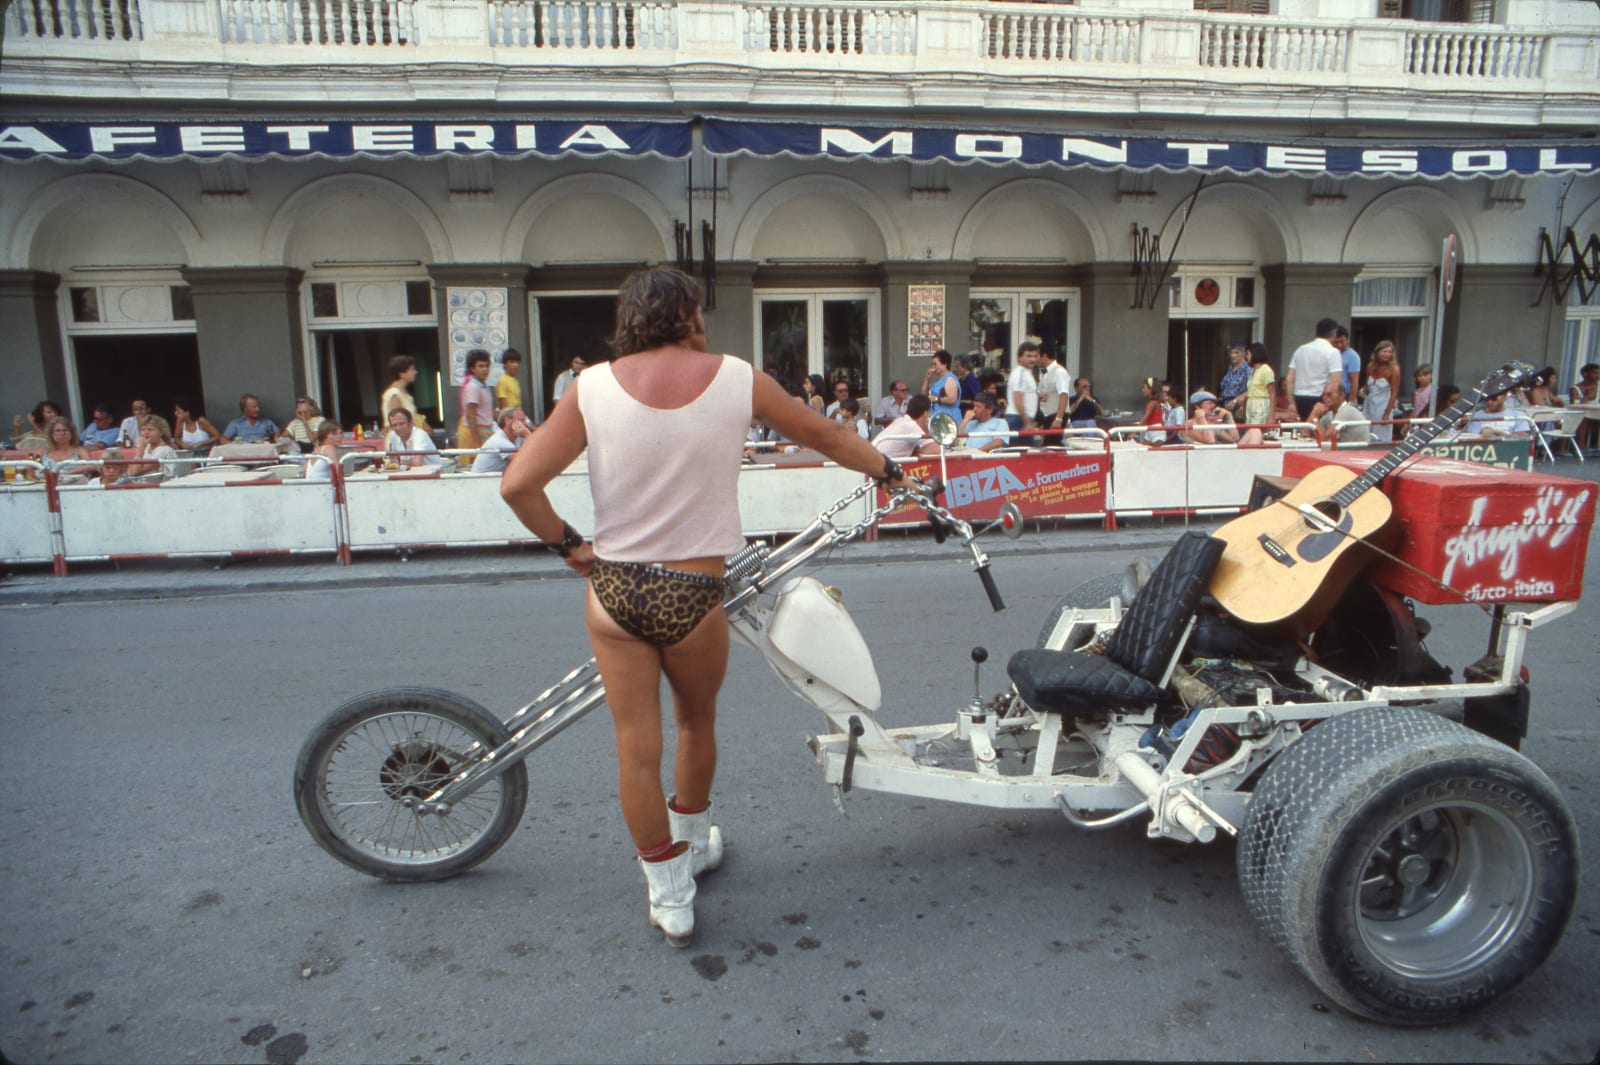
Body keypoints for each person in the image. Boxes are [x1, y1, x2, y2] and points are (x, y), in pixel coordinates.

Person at [498, 265, 908, 949]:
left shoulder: (590, 386)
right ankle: (692, 845)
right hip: (693, 593)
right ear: (686, 313)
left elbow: (517, 483)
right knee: (695, 723)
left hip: (615, 589)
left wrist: (572, 546)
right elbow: (826, 436)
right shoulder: (737, 378)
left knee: (635, 748)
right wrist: (889, 469)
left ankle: (671, 896)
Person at [1283, 318, 1344, 420]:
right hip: (1321, 397)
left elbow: (1289, 379)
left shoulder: (1300, 350)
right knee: (1319, 431)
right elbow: (1336, 382)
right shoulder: (1332, 352)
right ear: (1334, 333)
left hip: (1300, 397)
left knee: (1305, 430)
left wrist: (1291, 402)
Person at [1359, 340, 1400, 442]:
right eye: (1384, 351)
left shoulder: (1394, 369)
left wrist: (1387, 413)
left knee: (1381, 437)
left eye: (1389, 352)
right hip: (1369, 404)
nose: (1387, 354)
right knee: (1365, 433)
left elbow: (1394, 392)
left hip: (1383, 406)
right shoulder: (1370, 366)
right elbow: (1367, 386)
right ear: (1377, 352)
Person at [875, 394, 939, 459]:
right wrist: (917, 449)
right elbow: (936, 449)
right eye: (929, 412)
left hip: (876, 459)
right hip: (884, 464)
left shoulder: (901, 420)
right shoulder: (912, 426)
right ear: (925, 413)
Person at [471, 407, 533, 473]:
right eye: (521, 420)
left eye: (525, 420)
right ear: (507, 420)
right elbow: (524, 462)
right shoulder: (499, 441)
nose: (525, 424)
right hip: (481, 480)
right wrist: (528, 436)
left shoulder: (519, 437)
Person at [456, 349, 495, 454]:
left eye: (487, 366)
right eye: (481, 366)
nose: (485, 369)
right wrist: (478, 444)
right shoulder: (473, 387)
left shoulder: (484, 386)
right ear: (473, 368)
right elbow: (470, 416)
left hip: (487, 430)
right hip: (477, 432)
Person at [382, 355, 427, 429]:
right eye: (412, 369)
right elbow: (398, 424)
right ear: (401, 373)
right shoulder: (394, 394)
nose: (415, 372)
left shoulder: (404, 393)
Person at [1006, 341, 1040, 439]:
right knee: (1020, 451)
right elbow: (1018, 399)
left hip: (1021, 418)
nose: (1032, 359)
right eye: (1028, 356)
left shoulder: (1026, 373)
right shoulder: (1020, 373)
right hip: (1018, 418)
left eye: (1035, 356)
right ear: (1020, 357)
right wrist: (1027, 422)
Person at [1035, 348, 1072, 437]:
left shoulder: (1060, 372)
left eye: (1037, 356)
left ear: (1044, 356)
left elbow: (1064, 395)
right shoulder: (1043, 373)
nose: (1035, 359)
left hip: (1055, 415)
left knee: (1052, 444)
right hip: (1045, 415)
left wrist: (1058, 419)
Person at [1467, 392, 1534, 437]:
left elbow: (1522, 439)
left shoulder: (1518, 415)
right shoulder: (1477, 416)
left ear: (1504, 397)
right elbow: (1473, 437)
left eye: (1494, 399)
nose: (1490, 402)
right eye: (1487, 399)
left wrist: (1498, 433)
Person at [1243, 342, 1277, 431]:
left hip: (1260, 404)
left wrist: (1272, 416)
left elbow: (1272, 393)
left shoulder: (1266, 370)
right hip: (1250, 403)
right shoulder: (1253, 371)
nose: (1247, 357)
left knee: (1255, 430)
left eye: (1248, 354)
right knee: (1248, 430)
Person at [923, 350, 961, 424]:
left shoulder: (949, 379)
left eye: (935, 364)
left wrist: (936, 399)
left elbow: (952, 399)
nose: (933, 367)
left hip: (949, 419)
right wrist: (927, 380)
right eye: (932, 364)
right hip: (938, 420)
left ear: (944, 364)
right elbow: (924, 395)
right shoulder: (937, 382)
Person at [1218, 342, 1251, 417]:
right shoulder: (1230, 368)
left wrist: (1235, 401)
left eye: (1237, 352)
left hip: (1239, 406)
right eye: (1231, 353)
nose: (1233, 355)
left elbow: (1250, 389)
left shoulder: (1248, 369)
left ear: (1243, 353)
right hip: (1225, 405)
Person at [1332, 325, 1359, 395]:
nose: (1339, 345)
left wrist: (1351, 401)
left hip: (1344, 393)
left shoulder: (1352, 356)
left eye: (1342, 341)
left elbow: (1354, 381)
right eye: (1336, 342)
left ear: (1347, 340)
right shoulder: (1331, 353)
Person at [496, 349, 524, 418]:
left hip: (518, 415)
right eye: (511, 362)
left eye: (517, 362)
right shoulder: (503, 380)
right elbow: (503, 406)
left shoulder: (515, 380)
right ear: (505, 364)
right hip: (510, 418)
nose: (515, 365)